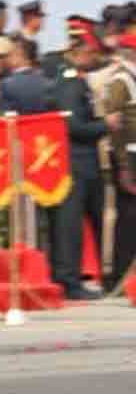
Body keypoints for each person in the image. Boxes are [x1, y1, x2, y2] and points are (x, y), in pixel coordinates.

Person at [49, 24, 118, 300]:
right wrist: (105, 125)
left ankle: (71, 277)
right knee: (70, 225)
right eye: (91, 52)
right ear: (79, 51)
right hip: (75, 163)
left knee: (79, 223)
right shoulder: (69, 82)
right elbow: (73, 126)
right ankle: (69, 280)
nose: (94, 57)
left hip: (85, 163)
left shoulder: (78, 79)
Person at [103, 35, 136, 293]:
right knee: (127, 219)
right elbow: (115, 127)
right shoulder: (120, 81)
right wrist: (124, 166)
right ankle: (119, 276)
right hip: (128, 156)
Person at [0, 36, 51, 115]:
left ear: (20, 56)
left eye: (10, 54)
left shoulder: (7, 85)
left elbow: (4, 116)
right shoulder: (47, 83)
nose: (7, 58)